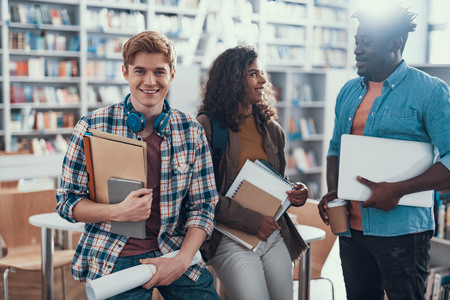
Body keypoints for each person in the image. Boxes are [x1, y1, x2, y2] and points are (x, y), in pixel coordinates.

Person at [56, 31, 220, 299]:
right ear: (125, 72)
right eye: (140, 71)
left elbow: (204, 207)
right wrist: (118, 211)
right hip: (115, 253)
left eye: (159, 72)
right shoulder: (92, 127)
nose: (150, 81)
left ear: (172, 74)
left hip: (175, 251)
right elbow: (67, 202)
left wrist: (182, 260)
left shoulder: (191, 130)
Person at [318, 4, 450, 300]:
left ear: (395, 44)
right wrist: (332, 192)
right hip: (351, 231)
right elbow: (335, 148)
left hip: (402, 234)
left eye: (367, 42)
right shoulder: (348, 91)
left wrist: (398, 190)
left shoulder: (430, 91)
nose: (357, 50)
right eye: (356, 42)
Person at [197, 45, 308, 300]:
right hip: (229, 237)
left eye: (261, 73)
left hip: (272, 235)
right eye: (253, 74)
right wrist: (251, 221)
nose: (263, 80)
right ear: (234, 79)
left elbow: (275, 180)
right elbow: (202, 195)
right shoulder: (207, 127)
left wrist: (295, 192)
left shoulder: (272, 130)